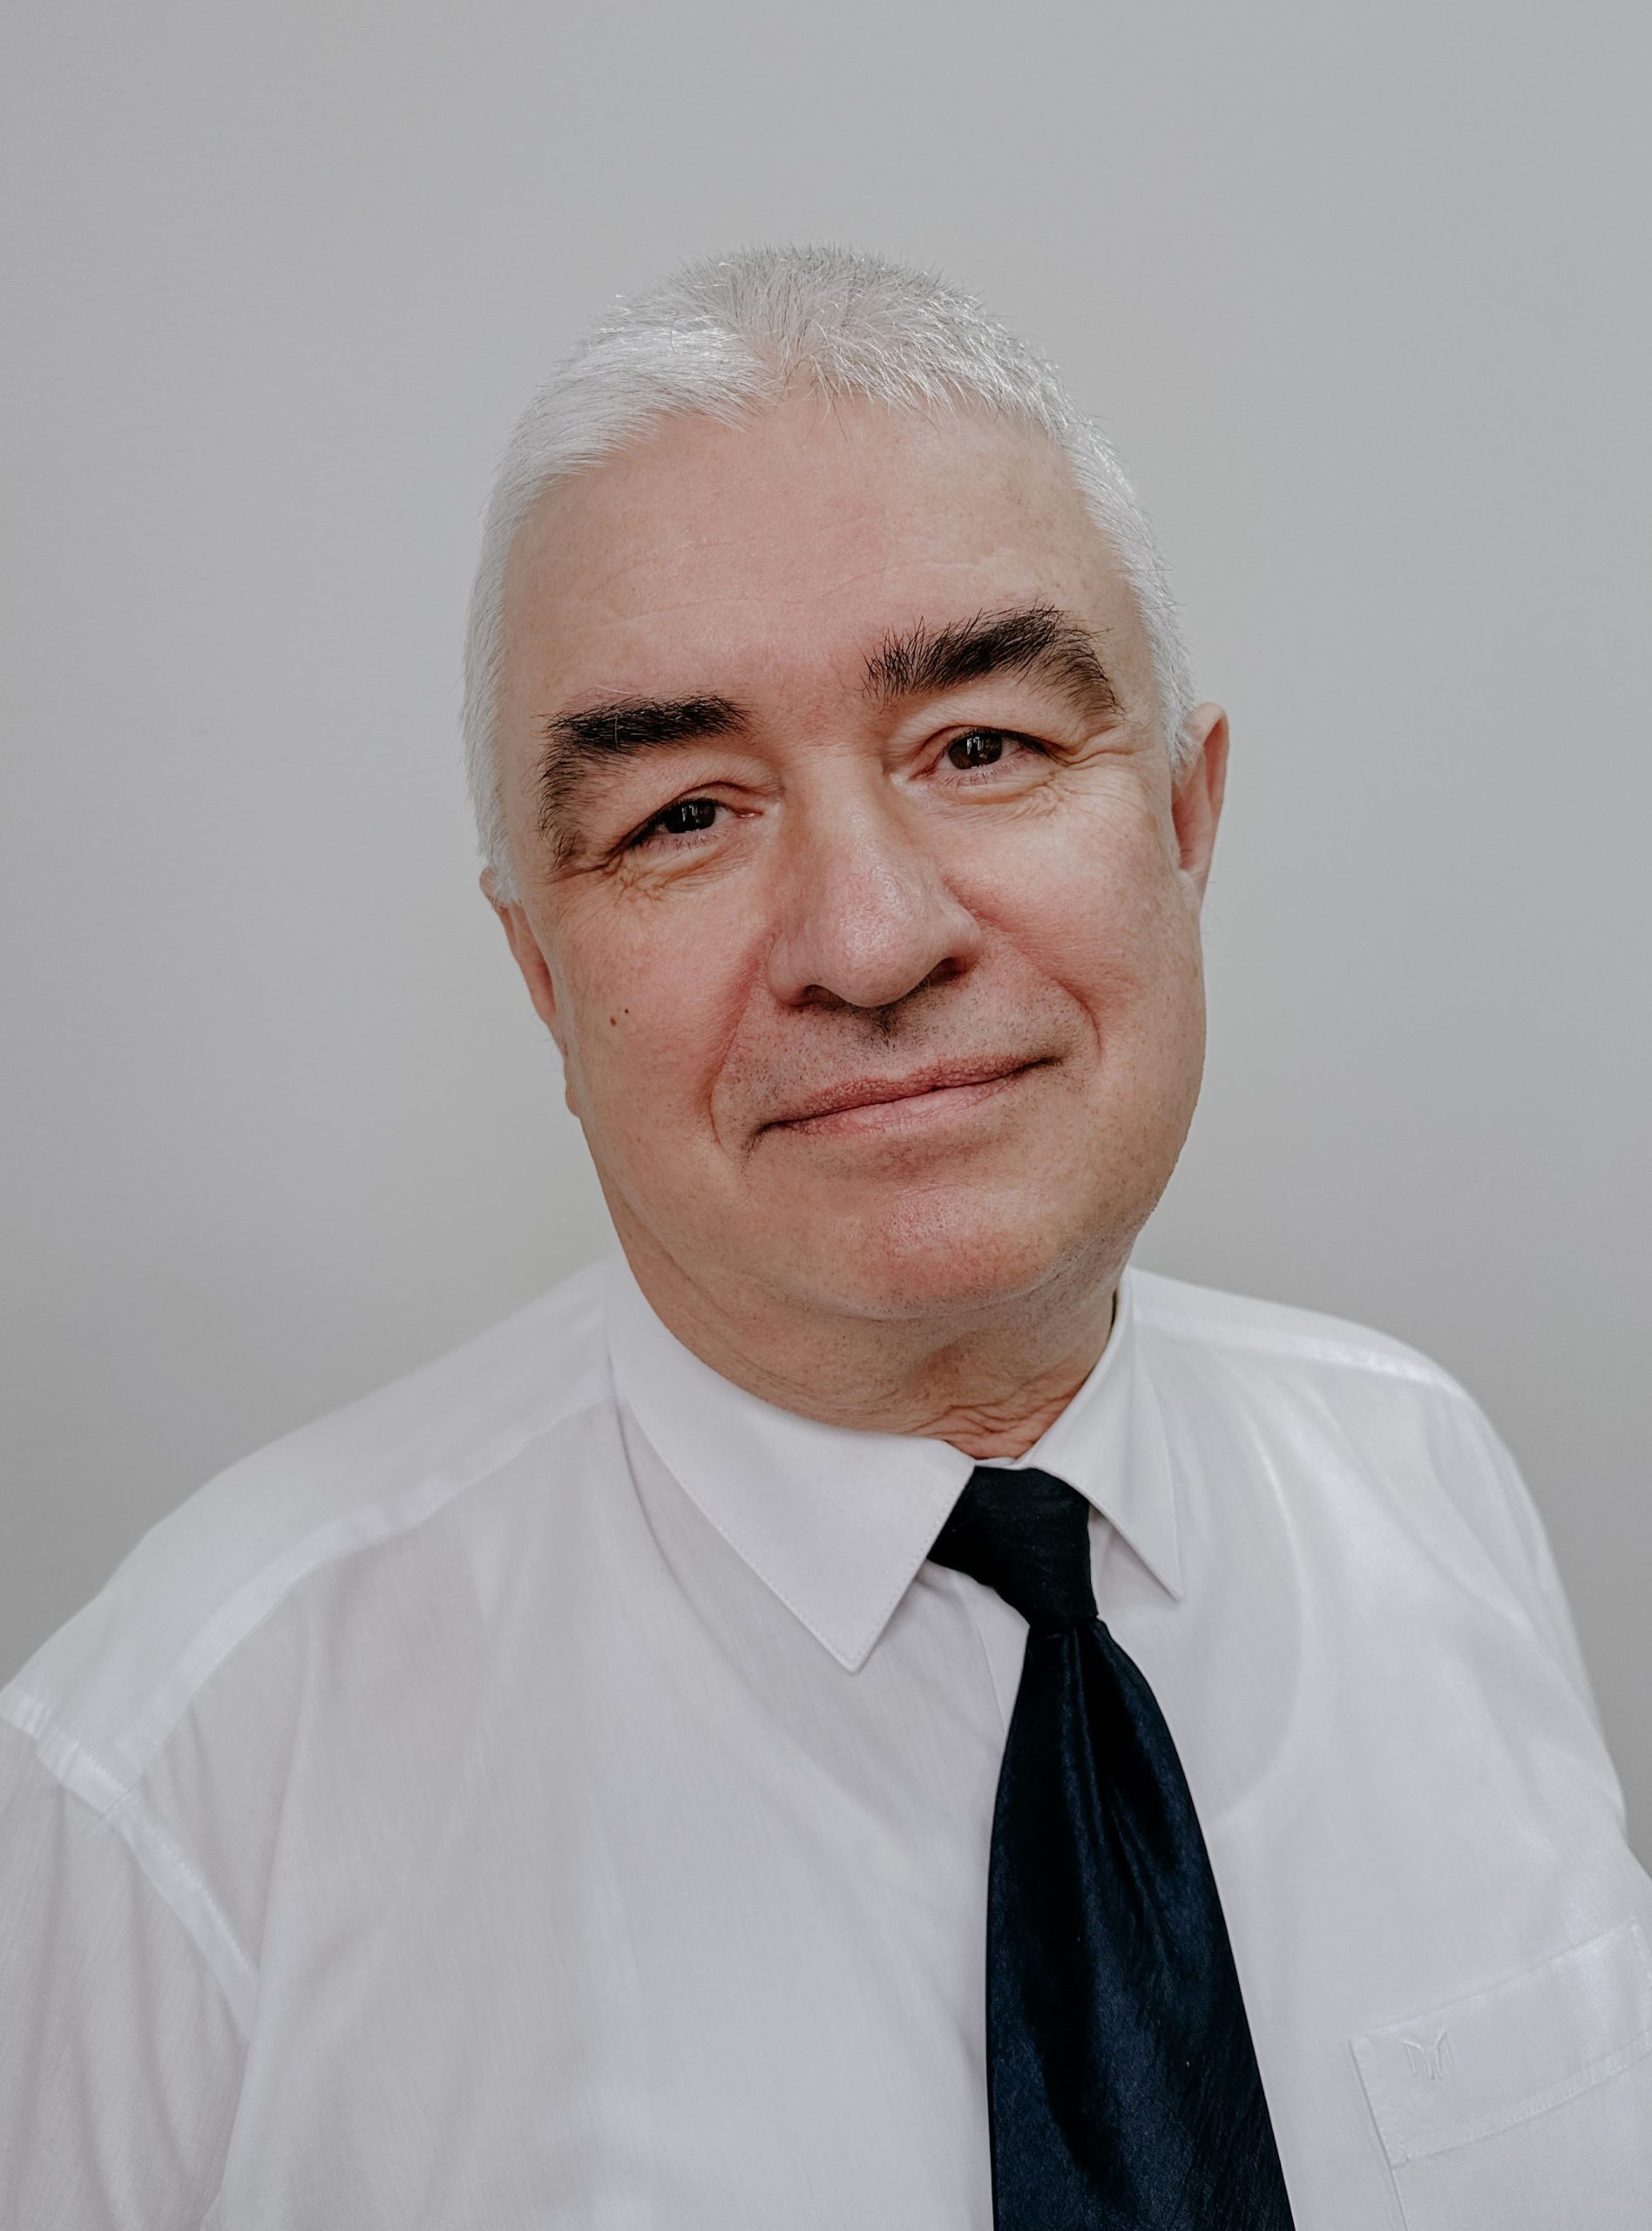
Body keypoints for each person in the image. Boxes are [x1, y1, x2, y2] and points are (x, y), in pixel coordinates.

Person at [3, 243, 1647, 2230]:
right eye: (685, 815)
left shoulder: (1426, 1478)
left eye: (983, 745)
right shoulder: (176, 1783)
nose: (870, 942)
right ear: (542, 977)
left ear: (1186, 823)